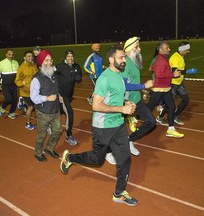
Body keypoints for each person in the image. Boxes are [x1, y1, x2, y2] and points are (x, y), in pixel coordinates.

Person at [60, 45, 139, 206]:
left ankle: (119, 193)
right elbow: (96, 105)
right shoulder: (104, 78)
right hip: (103, 126)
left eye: (124, 57)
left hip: (118, 124)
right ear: (111, 60)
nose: (124, 60)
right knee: (97, 159)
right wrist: (122, 109)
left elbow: (115, 98)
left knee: (125, 159)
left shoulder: (119, 75)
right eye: (121, 58)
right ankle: (69, 158)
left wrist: (126, 103)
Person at [119, 37, 156, 156]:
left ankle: (130, 140)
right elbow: (124, 85)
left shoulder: (134, 62)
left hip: (136, 100)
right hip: (125, 102)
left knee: (151, 122)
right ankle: (108, 151)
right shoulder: (125, 64)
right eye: (136, 47)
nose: (139, 49)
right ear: (130, 50)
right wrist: (143, 86)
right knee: (114, 128)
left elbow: (133, 80)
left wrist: (142, 90)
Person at [146, 41, 183, 138]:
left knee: (171, 107)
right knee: (150, 107)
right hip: (159, 89)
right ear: (160, 49)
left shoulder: (162, 58)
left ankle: (171, 129)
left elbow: (153, 68)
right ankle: (136, 118)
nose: (169, 49)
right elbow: (158, 74)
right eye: (167, 48)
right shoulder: (160, 60)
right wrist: (172, 75)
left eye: (169, 48)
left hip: (166, 89)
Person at [30, 50, 62, 162]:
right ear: (41, 63)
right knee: (41, 134)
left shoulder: (53, 75)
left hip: (55, 110)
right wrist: (47, 98)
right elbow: (33, 97)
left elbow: (55, 88)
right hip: (43, 112)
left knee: (58, 130)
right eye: (46, 60)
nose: (49, 62)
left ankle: (49, 148)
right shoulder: (36, 78)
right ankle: (38, 153)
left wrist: (59, 96)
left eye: (50, 60)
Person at [156, 41, 191, 126]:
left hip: (179, 83)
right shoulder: (175, 58)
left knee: (185, 99)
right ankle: (160, 117)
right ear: (182, 49)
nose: (188, 52)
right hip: (173, 84)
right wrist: (188, 71)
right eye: (187, 50)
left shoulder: (180, 56)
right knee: (169, 104)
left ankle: (175, 115)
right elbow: (174, 72)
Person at [55, 49, 82, 146]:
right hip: (61, 95)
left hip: (69, 95)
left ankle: (50, 124)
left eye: (71, 56)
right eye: (68, 56)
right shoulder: (59, 67)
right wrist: (57, 93)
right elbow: (51, 77)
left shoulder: (76, 66)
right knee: (70, 113)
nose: (70, 58)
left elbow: (79, 76)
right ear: (65, 57)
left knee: (60, 111)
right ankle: (68, 135)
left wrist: (78, 77)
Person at [15, 50, 38, 130]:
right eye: (28, 56)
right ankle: (28, 123)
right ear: (24, 58)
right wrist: (22, 83)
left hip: (35, 90)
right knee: (31, 107)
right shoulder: (21, 68)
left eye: (31, 56)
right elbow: (17, 80)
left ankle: (22, 101)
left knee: (37, 106)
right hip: (26, 91)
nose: (31, 57)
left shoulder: (34, 65)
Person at [0, 49, 19, 119]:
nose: (11, 56)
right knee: (8, 99)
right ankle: (3, 107)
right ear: (6, 55)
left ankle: (11, 112)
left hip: (14, 85)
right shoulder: (1, 63)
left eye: (12, 55)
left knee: (15, 100)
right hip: (5, 84)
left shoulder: (16, 62)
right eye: (9, 54)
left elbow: (18, 74)